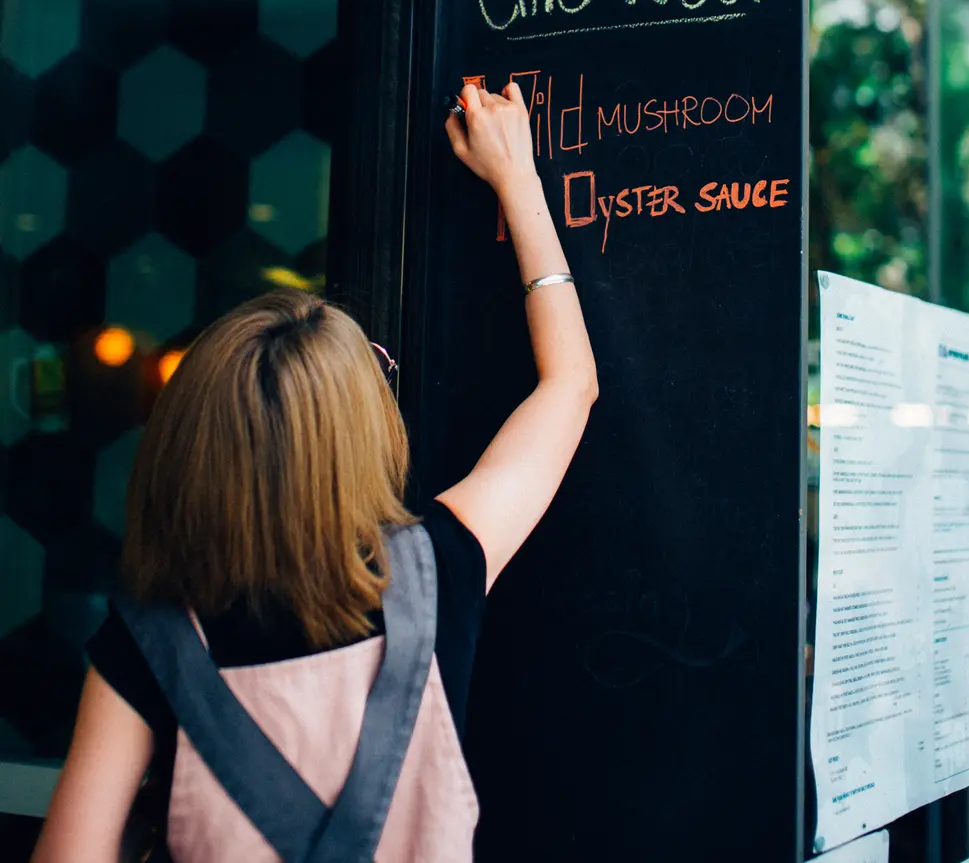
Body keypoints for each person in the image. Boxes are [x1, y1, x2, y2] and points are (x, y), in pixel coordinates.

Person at [32, 81, 598, 863]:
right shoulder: (439, 568)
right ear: (361, 432)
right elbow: (571, 386)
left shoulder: (147, 638)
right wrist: (519, 179)